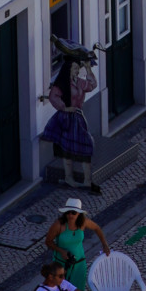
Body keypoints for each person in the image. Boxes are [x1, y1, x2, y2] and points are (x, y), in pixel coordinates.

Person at [41, 43, 98, 187]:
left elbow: (92, 85)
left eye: (78, 68)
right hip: (66, 119)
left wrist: (88, 68)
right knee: (67, 149)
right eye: (75, 68)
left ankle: (87, 180)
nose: (77, 71)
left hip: (78, 118)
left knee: (87, 146)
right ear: (68, 69)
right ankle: (69, 178)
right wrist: (65, 108)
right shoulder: (62, 84)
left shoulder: (79, 82)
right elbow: (54, 97)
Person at [44, 198, 109, 285]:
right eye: (68, 212)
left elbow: (97, 228)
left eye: (73, 212)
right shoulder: (58, 225)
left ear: (79, 213)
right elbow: (48, 241)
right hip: (62, 266)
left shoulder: (83, 222)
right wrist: (61, 251)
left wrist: (104, 244)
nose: (70, 215)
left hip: (79, 264)